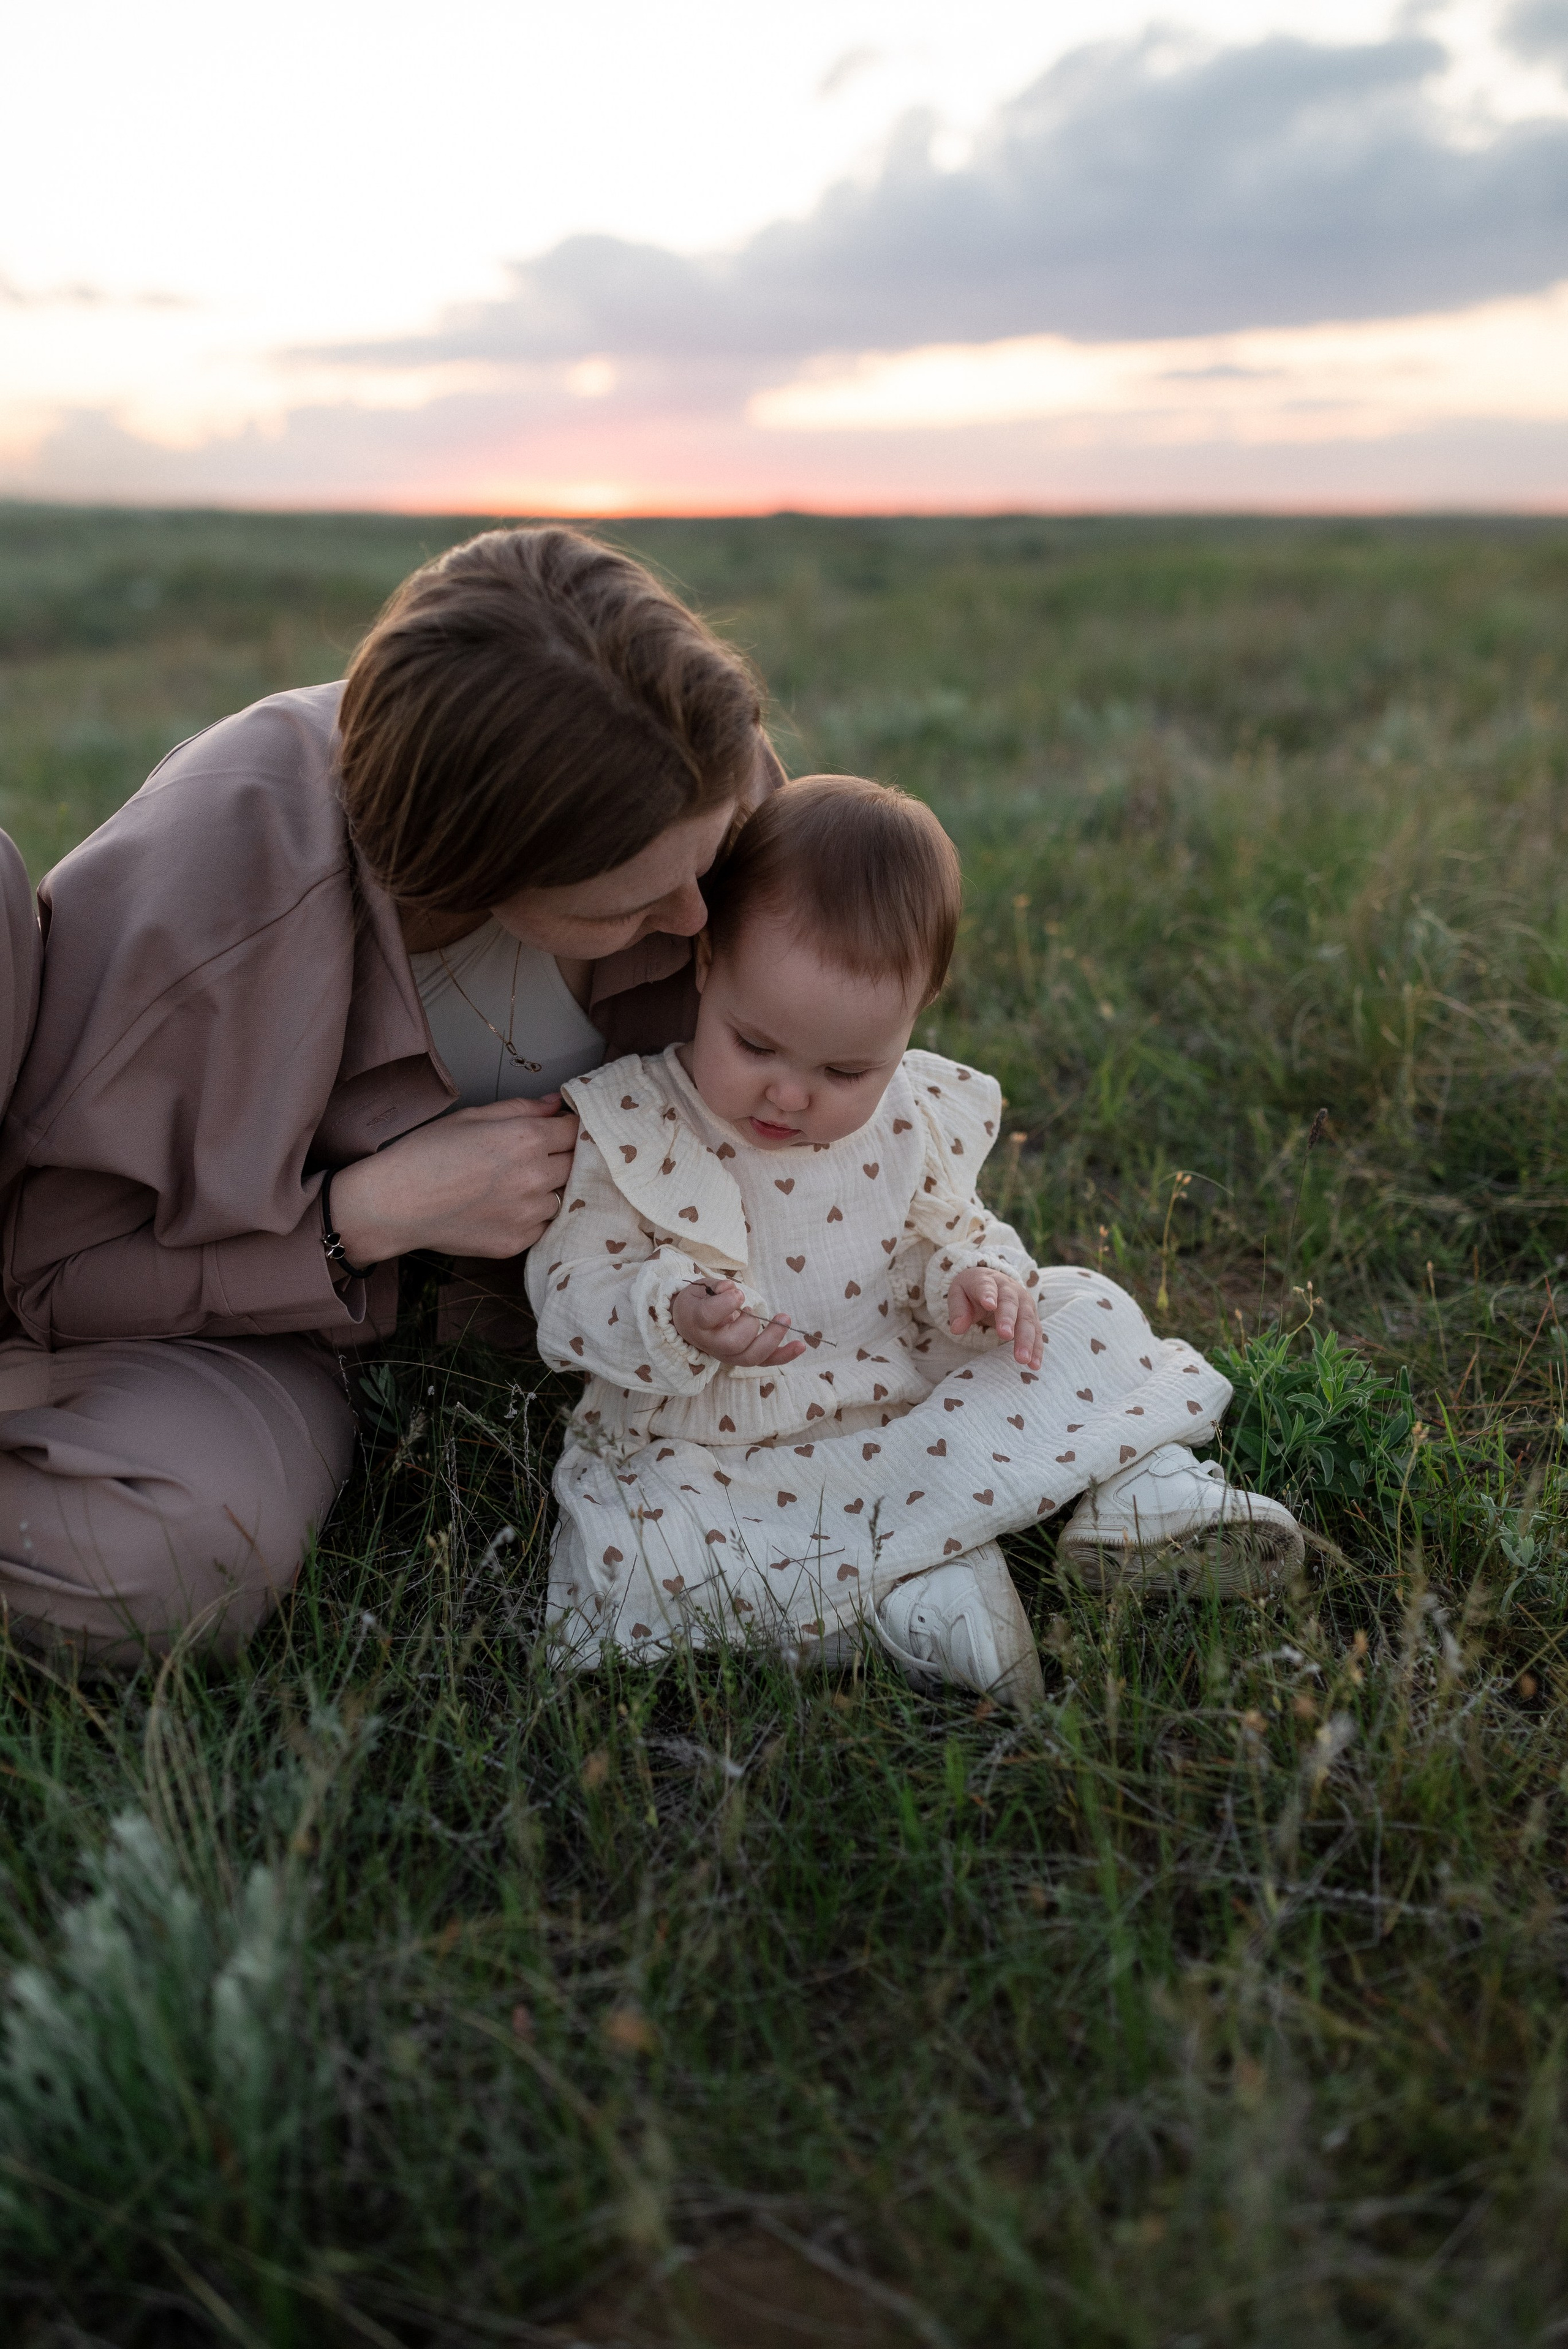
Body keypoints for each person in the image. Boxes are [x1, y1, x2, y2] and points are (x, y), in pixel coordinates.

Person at [0, 526, 779, 1664]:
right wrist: (364, 1218)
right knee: (174, 1551)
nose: (696, 925)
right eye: (630, 905)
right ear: (464, 869)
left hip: (318, 1338)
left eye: (702, 872)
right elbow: (49, 1270)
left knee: (182, 1554)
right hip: (178, 1299)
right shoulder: (213, 905)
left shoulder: (707, 786)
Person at [527, 777, 1303, 1708]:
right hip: (729, 1432)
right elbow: (571, 1290)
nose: (789, 1095)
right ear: (705, 966)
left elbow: (950, 1227)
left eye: (845, 1068)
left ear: (916, 1016)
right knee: (643, 1538)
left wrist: (974, 1277)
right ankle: (901, 1605)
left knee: (1083, 1309)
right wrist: (672, 1315)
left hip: (908, 1377)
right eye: (755, 1045)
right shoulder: (636, 1125)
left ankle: (1143, 1497)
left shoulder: (909, 1115)